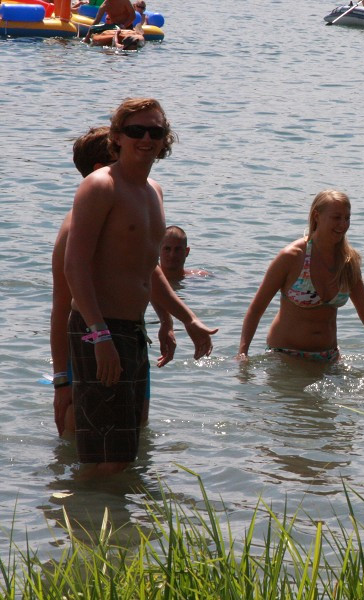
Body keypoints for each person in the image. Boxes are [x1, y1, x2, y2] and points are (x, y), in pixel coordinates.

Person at [63, 98, 216, 474]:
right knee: (105, 459)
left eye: (156, 131)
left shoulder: (154, 190)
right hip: (97, 328)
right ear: (117, 137)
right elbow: (75, 265)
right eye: (136, 131)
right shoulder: (100, 186)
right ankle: (89, 526)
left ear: (166, 139)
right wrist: (99, 336)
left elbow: (148, 270)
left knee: (126, 450)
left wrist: (184, 318)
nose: (146, 138)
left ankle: (115, 527)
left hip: (132, 329)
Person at [238, 190, 364, 366]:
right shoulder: (292, 257)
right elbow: (256, 309)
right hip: (285, 356)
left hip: (329, 357)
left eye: (347, 218)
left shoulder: (348, 261)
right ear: (317, 216)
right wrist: (242, 353)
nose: (343, 224)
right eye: (336, 217)